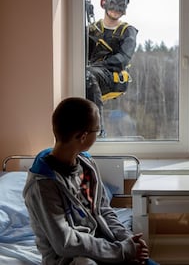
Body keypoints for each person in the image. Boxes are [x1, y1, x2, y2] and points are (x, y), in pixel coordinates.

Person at [23, 97, 158, 265]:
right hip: (71, 258)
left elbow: (103, 210)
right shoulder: (42, 186)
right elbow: (65, 243)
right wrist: (121, 251)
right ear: (82, 136)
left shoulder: (87, 167)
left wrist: (128, 240)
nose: (99, 134)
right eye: (98, 130)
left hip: (106, 248)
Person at [86, 0, 138, 137]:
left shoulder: (127, 31)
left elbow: (123, 58)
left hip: (112, 76)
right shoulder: (92, 29)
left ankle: (98, 130)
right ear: (105, 2)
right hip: (93, 72)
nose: (115, 10)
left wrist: (101, 64)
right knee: (81, 78)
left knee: (87, 76)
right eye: (113, 5)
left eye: (120, 7)